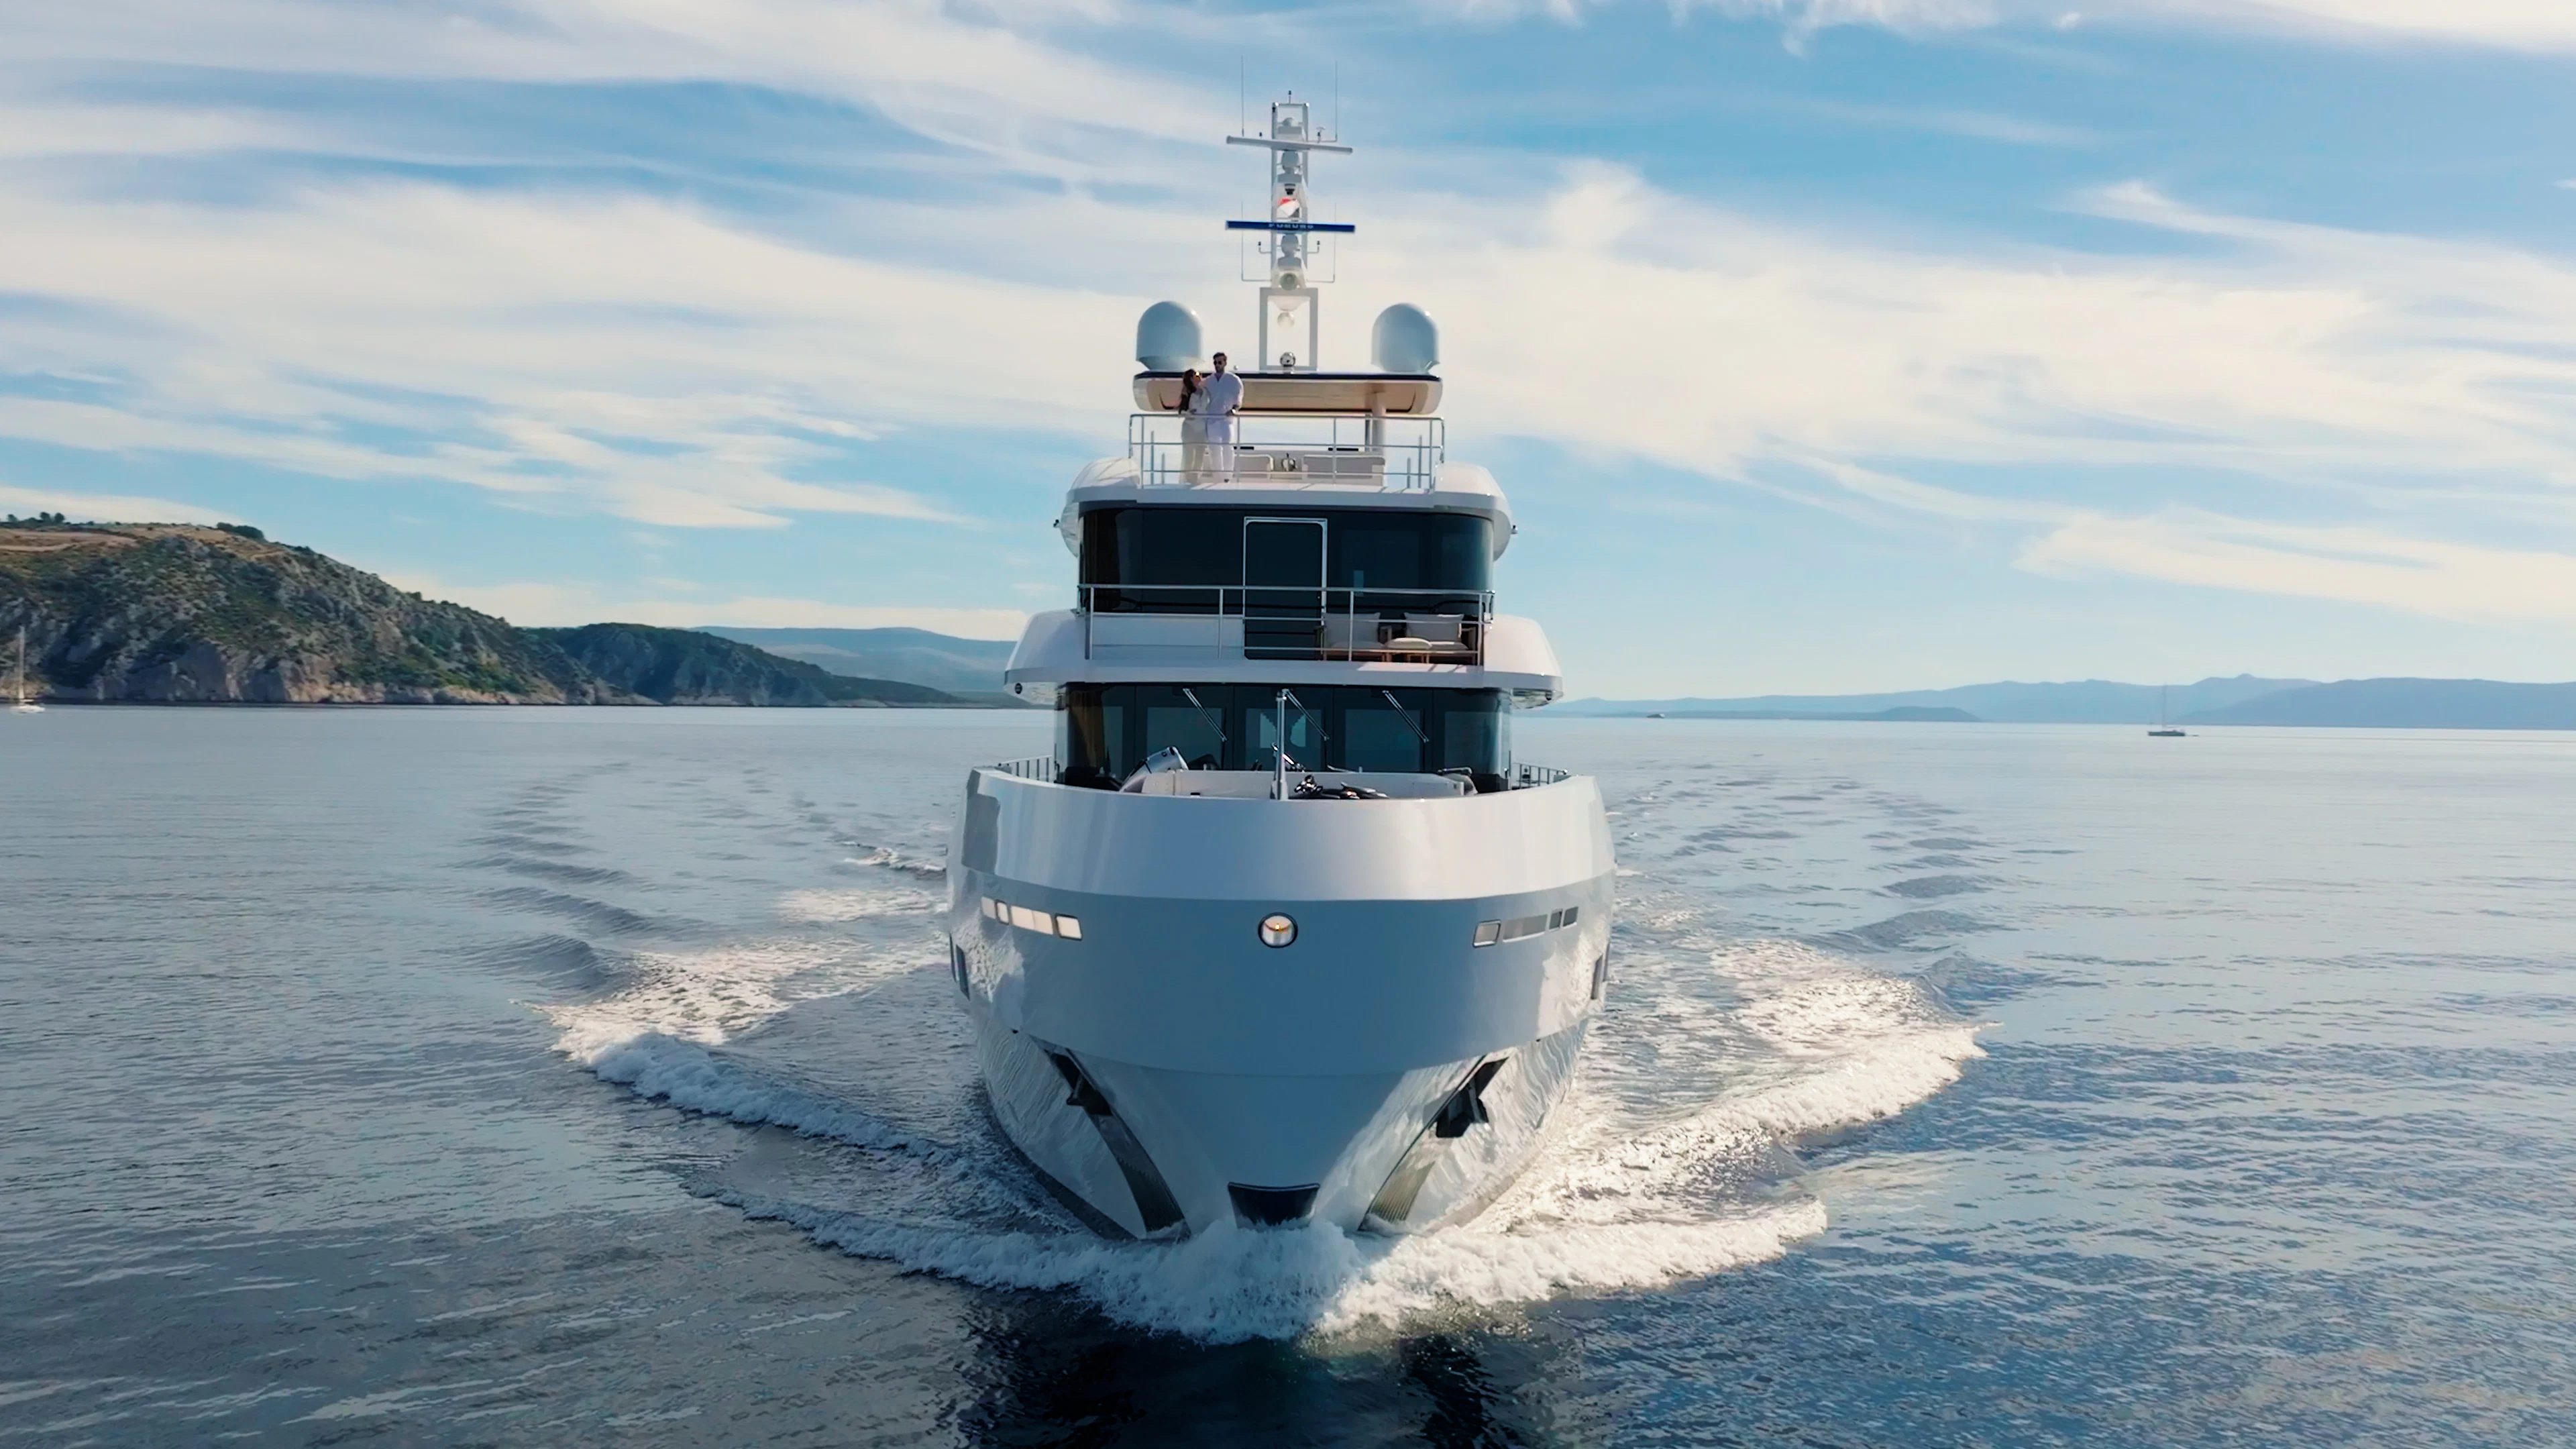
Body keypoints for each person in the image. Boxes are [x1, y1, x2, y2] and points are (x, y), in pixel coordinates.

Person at [1199, 352, 1243, 481]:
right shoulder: (1209, 381)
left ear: (1225, 363)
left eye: (1220, 362)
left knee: (1228, 447)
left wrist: (1234, 410)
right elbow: (1197, 389)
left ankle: (1228, 477)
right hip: (1212, 419)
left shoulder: (1234, 380)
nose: (1217, 365)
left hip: (1226, 420)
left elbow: (1238, 401)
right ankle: (1218, 477)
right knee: (1214, 449)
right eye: (1215, 363)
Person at [1175, 368, 1206, 483]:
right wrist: (1188, 413)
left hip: (1202, 428)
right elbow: (1181, 411)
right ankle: (1188, 478)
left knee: (1200, 455)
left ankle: (1195, 477)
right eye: (1196, 376)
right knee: (1189, 455)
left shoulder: (1205, 392)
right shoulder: (1187, 393)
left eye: (1199, 375)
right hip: (1190, 427)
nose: (1199, 378)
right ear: (1191, 379)